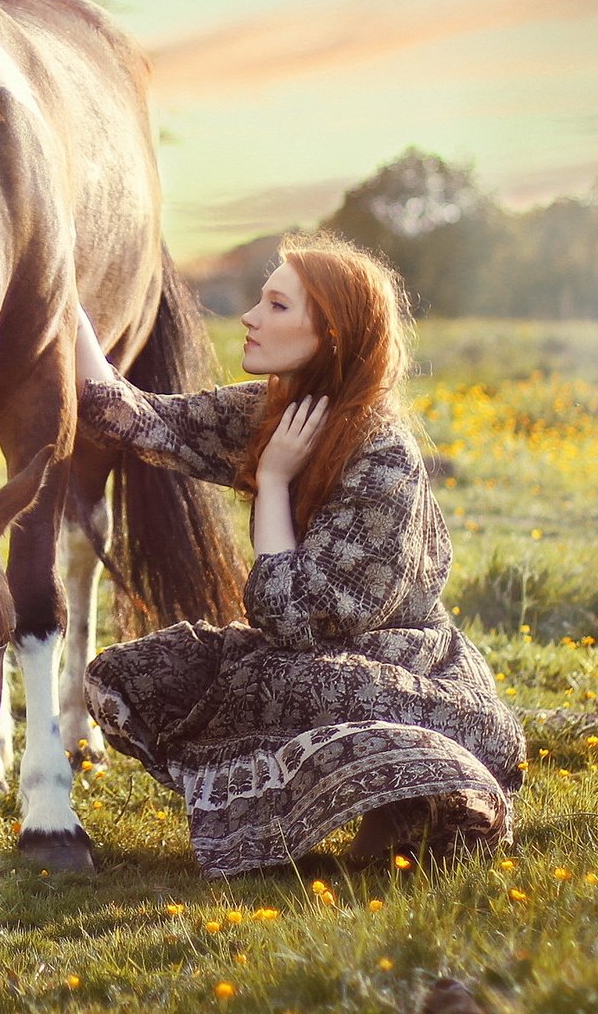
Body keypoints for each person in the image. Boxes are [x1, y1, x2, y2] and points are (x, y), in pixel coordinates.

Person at [74, 232, 525, 878]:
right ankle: (317, 805)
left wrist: (278, 482)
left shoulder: (384, 459)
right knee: (132, 675)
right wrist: (65, 295)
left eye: (277, 306)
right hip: (302, 660)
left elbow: (289, 619)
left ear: (332, 335)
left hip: (402, 673)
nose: (250, 319)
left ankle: (419, 796)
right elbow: (136, 418)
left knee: (289, 680)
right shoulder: (277, 409)